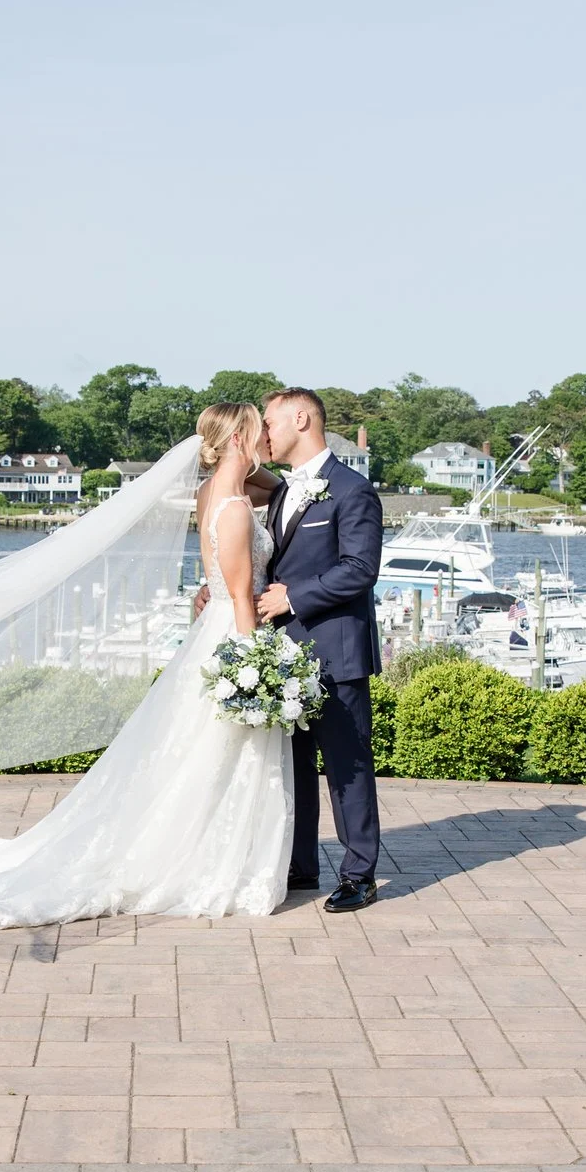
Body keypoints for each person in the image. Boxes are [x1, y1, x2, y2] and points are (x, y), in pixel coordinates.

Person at [0, 404, 293, 932]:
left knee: (195, 754)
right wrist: (257, 668)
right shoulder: (240, 508)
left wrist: (242, 456)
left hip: (208, 632)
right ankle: (208, 861)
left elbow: (264, 490)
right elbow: (244, 597)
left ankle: (197, 850)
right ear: (242, 436)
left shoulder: (212, 494)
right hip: (234, 633)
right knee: (220, 752)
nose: (267, 436)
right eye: (258, 429)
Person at [254, 387, 384, 912]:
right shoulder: (283, 491)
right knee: (295, 767)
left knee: (347, 766)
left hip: (336, 651)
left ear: (301, 418)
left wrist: (295, 596)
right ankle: (301, 864)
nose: (264, 433)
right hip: (286, 653)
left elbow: (360, 569)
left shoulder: (353, 491)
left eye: (269, 423)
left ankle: (360, 873)